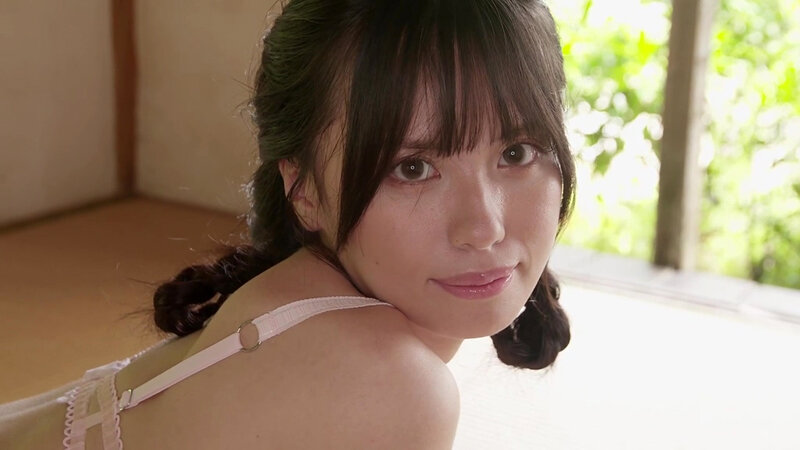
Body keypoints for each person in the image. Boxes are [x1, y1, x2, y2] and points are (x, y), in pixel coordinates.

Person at [0, 0, 575, 448]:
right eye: (413, 168)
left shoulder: (305, 304)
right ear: (304, 190)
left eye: (517, 153)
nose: (484, 227)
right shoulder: (392, 388)